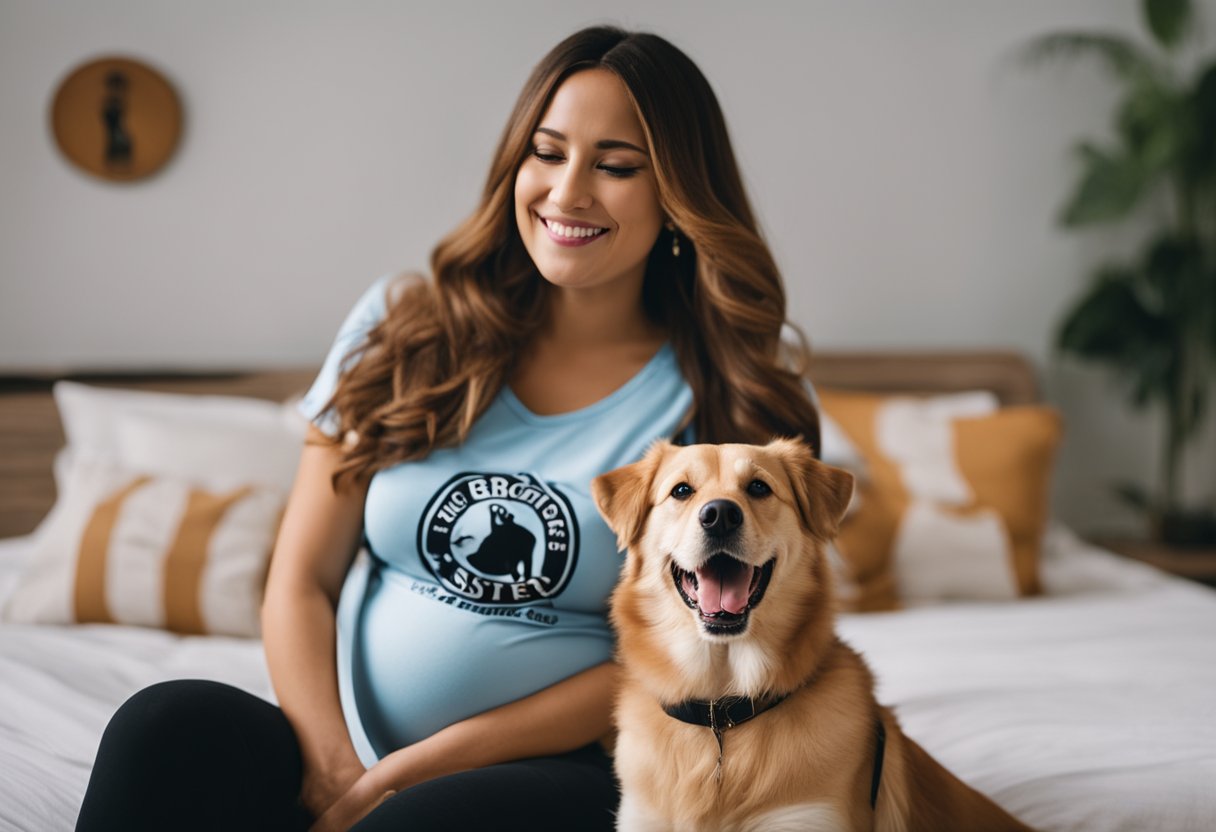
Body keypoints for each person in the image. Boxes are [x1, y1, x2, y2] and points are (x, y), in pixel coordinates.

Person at [74, 25, 820, 832]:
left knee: (420, 822)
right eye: (546, 151)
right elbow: (301, 580)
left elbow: (677, 654)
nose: (568, 193)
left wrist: (412, 774)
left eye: (615, 166)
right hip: (346, 757)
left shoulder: (723, 394)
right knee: (164, 727)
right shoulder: (406, 329)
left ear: (679, 192)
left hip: (572, 770)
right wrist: (334, 774)